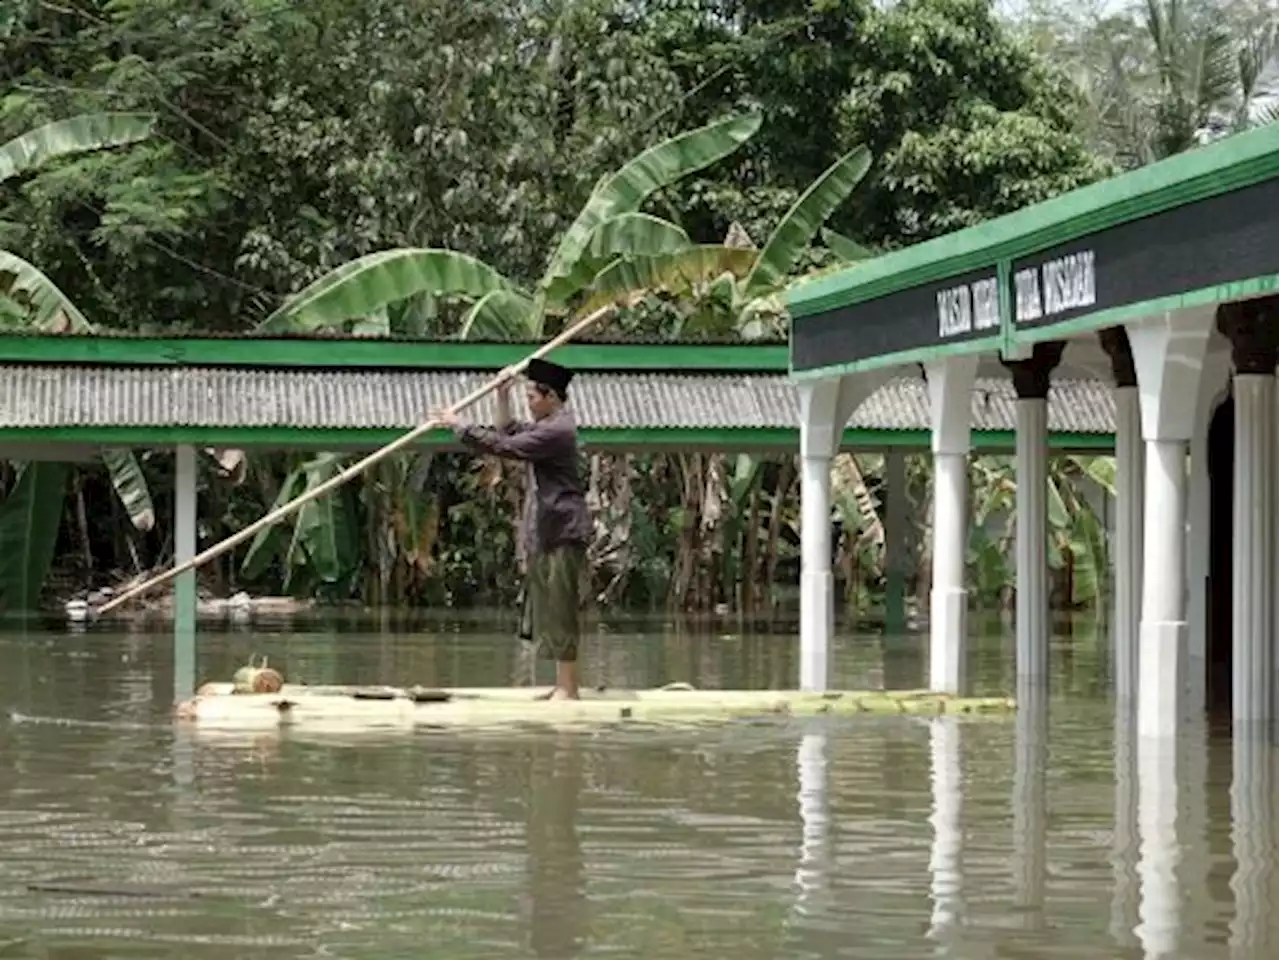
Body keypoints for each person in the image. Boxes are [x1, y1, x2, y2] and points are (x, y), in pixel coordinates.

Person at [431, 358, 593, 701]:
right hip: (546, 529)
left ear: (550, 396)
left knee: (561, 604)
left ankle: (569, 688)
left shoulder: (558, 430)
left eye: (531, 396)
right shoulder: (545, 426)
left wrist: (459, 426)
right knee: (546, 605)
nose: (529, 403)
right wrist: (502, 394)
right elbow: (507, 431)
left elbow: (505, 447)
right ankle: (561, 684)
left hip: (564, 528)